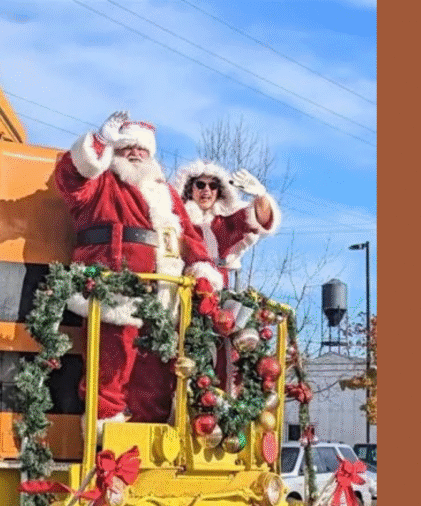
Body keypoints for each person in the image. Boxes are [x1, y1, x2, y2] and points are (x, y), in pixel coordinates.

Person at [53, 111, 223, 433]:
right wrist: (100, 141)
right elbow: (71, 178)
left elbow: (189, 237)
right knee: (110, 371)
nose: (134, 153)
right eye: (127, 147)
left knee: (157, 377)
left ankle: (151, 439)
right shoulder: (100, 183)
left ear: (151, 154)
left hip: (164, 301)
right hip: (116, 295)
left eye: (141, 149)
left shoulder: (168, 194)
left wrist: (202, 271)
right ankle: (107, 444)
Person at [174, 160, 282, 287]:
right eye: (200, 184)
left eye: (213, 186)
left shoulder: (225, 221)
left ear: (219, 191)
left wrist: (261, 196)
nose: (207, 190)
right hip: (177, 285)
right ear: (190, 188)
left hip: (216, 291)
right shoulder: (177, 216)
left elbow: (262, 220)